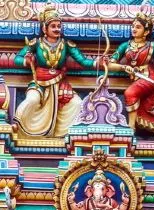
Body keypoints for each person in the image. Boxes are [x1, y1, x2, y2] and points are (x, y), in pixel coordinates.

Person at [13, 3, 103, 138]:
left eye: (59, 26)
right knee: (31, 100)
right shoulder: (36, 43)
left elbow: (83, 61)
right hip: (40, 83)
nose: (57, 29)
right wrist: (27, 60)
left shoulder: (66, 44)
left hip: (59, 84)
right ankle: (19, 125)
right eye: (53, 26)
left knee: (77, 103)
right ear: (45, 28)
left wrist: (98, 63)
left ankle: (65, 134)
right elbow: (16, 59)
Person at [107, 13, 154, 141]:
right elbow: (109, 64)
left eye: (138, 27)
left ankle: (131, 129)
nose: (134, 29)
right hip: (136, 78)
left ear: (146, 31)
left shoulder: (152, 46)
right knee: (153, 108)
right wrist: (123, 67)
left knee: (130, 93)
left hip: (149, 77)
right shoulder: (125, 45)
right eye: (133, 26)